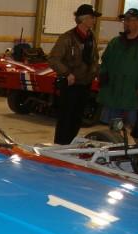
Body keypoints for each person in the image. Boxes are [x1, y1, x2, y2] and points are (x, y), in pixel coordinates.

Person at [48, 4, 101, 144]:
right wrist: (67, 73)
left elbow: (94, 58)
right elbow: (53, 59)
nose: (94, 20)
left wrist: (96, 72)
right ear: (83, 19)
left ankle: (70, 146)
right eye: (92, 17)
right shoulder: (67, 38)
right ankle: (60, 146)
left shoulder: (91, 37)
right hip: (71, 85)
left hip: (85, 84)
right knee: (66, 118)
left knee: (77, 119)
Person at [97, 8, 138, 143]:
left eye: (130, 20)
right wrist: (103, 77)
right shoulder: (115, 42)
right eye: (125, 20)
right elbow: (105, 62)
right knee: (114, 125)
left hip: (133, 91)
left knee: (135, 125)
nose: (126, 23)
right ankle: (115, 147)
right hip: (114, 91)